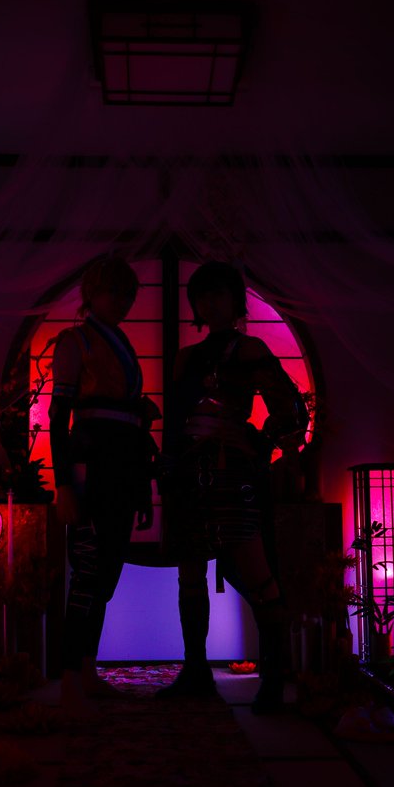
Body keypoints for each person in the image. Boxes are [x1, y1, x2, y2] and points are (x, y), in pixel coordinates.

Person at [157, 261, 309, 714]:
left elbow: (290, 407)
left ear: (235, 300)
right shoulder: (186, 358)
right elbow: (174, 424)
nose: (210, 303)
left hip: (231, 472)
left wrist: (258, 441)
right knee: (189, 573)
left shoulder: (250, 349)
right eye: (202, 296)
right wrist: (167, 471)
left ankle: (273, 680)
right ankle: (196, 671)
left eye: (218, 294)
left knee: (257, 572)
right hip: (189, 474)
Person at [49, 256, 159, 718]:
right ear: (92, 293)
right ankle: (70, 680)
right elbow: (58, 417)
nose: (123, 302)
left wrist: (142, 490)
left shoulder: (121, 342)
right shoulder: (75, 340)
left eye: (128, 294)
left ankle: (87, 671)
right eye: (114, 292)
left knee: (107, 575)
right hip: (91, 465)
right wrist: (63, 485)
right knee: (89, 573)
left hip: (123, 466)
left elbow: (132, 424)